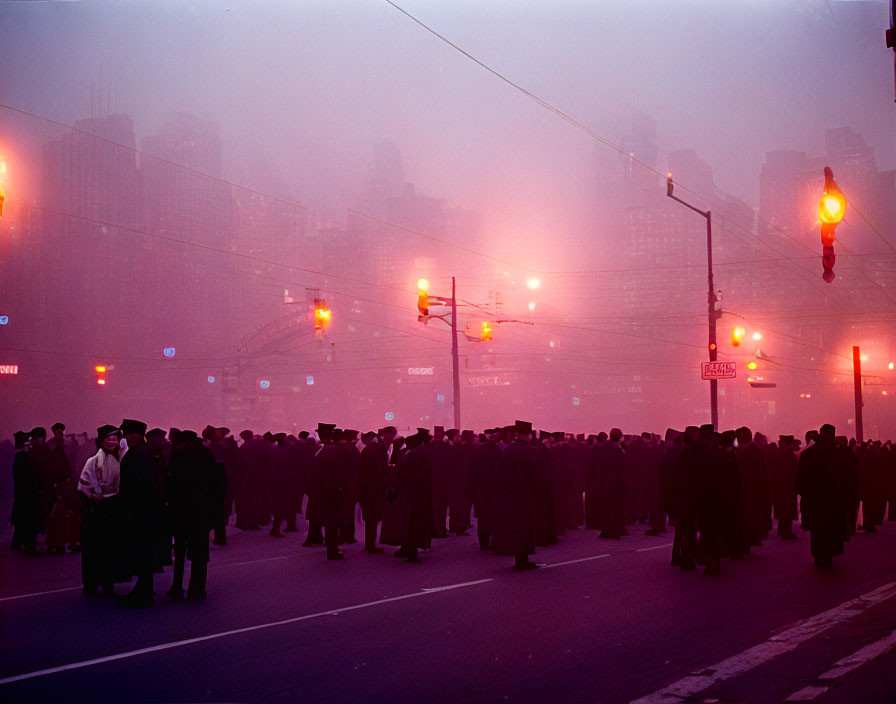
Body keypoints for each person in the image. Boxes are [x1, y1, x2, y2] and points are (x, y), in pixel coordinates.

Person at [118, 419, 165, 607]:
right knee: (144, 551)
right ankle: (144, 588)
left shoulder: (139, 455)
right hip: (145, 510)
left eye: (128, 435)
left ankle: (143, 591)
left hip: (140, 511)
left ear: (136, 435)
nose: (127, 438)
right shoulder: (144, 453)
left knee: (142, 551)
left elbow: (139, 485)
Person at [166, 430, 216, 600]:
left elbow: (171, 481)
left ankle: (177, 586)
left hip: (181, 508)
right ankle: (197, 588)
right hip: (201, 509)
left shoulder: (178, 454)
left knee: (180, 550)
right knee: (200, 552)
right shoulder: (206, 453)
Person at [78, 425, 126, 596]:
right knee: (96, 548)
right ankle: (94, 583)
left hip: (110, 512)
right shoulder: (91, 462)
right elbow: (83, 487)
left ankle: (105, 583)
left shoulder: (119, 461)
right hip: (96, 511)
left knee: (106, 548)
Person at [796, 424, 847, 568]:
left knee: (817, 530)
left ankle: (819, 555)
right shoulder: (837, 454)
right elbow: (844, 478)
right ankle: (828, 554)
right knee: (831, 529)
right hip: (832, 500)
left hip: (815, 499)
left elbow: (801, 479)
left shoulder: (809, 454)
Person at [492, 421, 538, 570]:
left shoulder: (508, 450)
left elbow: (500, 473)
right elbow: (534, 474)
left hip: (510, 495)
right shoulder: (529, 451)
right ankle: (523, 559)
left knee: (515, 526)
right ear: (528, 434)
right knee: (525, 527)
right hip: (524, 494)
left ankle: (519, 558)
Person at [11, 431, 39, 554]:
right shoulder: (24, 457)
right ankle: (27, 543)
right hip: (27, 493)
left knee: (21, 518)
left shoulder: (20, 457)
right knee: (27, 518)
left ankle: (19, 541)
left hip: (22, 493)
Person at [358, 431, 387, 553]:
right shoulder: (379, 453)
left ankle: (369, 544)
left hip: (366, 489)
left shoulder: (367, 451)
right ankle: (370, 545)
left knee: (370, 519)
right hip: (375, 490)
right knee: (373, 519)